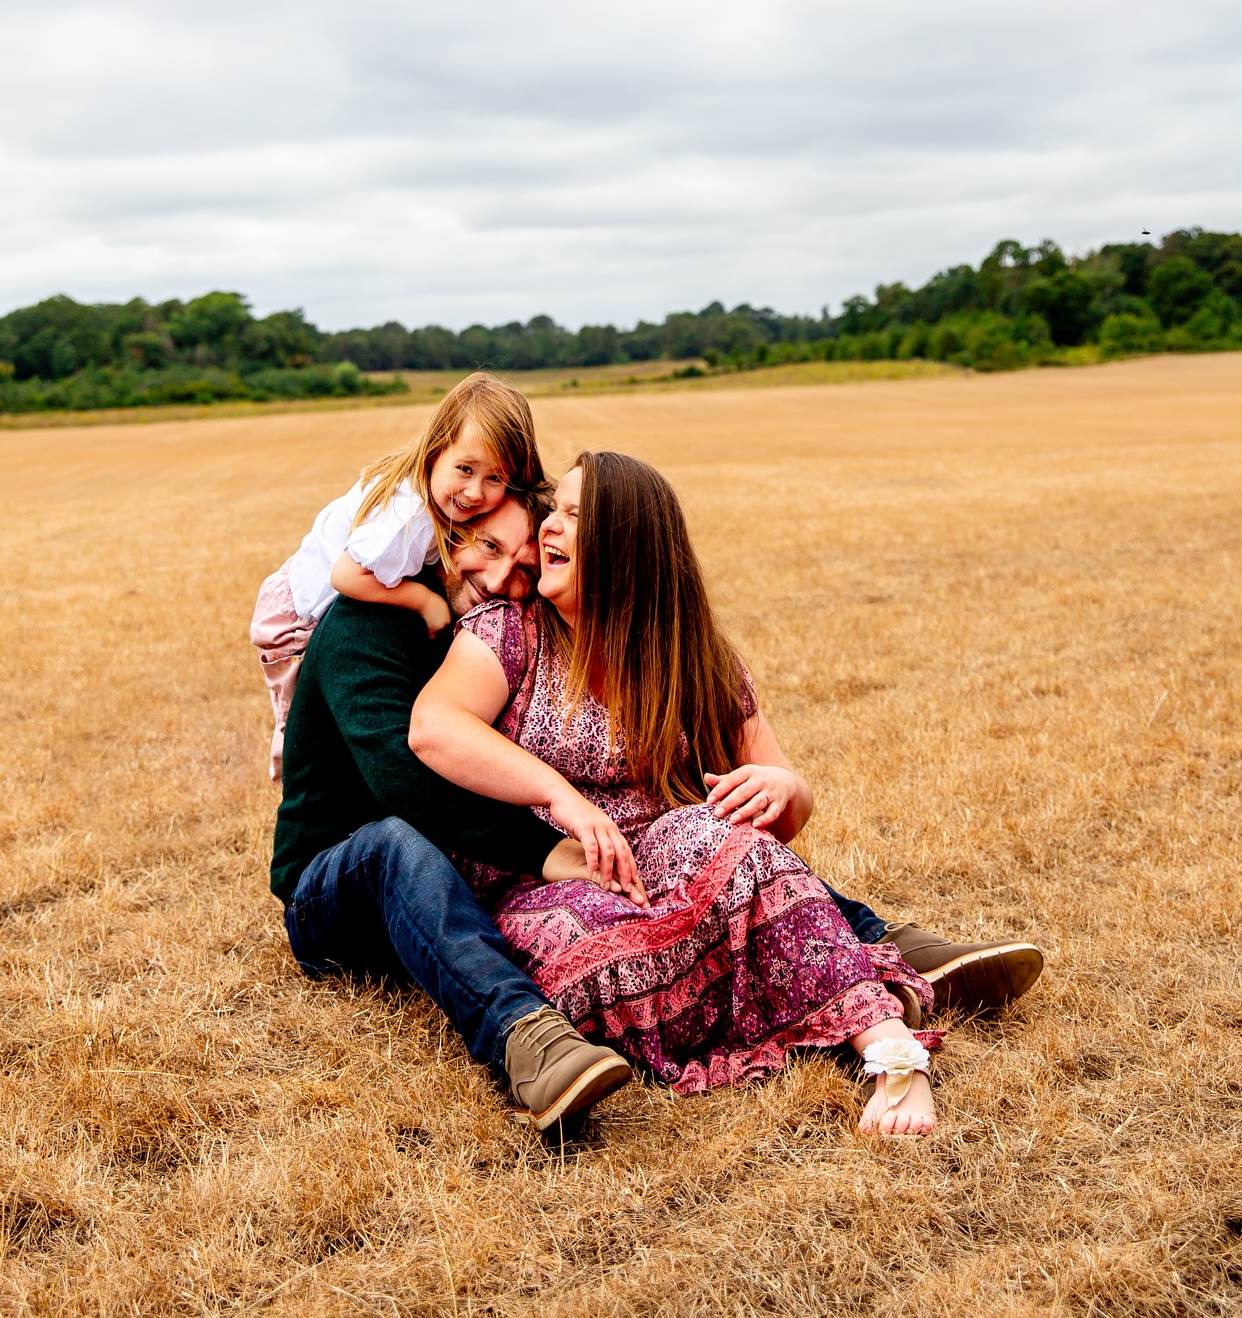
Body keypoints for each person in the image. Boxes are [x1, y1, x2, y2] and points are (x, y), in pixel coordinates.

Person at [411, 453, 985, 1136]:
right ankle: (800, 979)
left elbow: (789, 809)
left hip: (664, 859)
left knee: (731, 845)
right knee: (593, 953)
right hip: (543, 878)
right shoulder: (508, 635)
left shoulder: (692, 655)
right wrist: (561, 797)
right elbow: (434, 727)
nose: (550, 529)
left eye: (573, 516)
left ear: (628, 546)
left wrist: (783, 788)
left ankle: (894, 1057)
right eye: (553, 510)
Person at [270, 491, 641, 1131]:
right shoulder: (363, 624)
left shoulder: (491, 634)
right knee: (394, 841)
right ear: (447, 529)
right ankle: (528, 1040)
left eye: (524, 570)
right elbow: (403, 781)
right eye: (487, 548)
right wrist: (546, 852)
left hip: (452, 871)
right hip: (334, 889)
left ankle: (848, 929)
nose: (499, 581)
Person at [252, 373, 546, 782]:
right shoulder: (411, 518)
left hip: (299, 584)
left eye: (495, 478)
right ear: (436, 450)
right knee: (303, 727)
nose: (476, 492)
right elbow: (345, 576)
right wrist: (426, 603)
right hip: (293, 618)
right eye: (465, 469)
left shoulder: (429, 490)